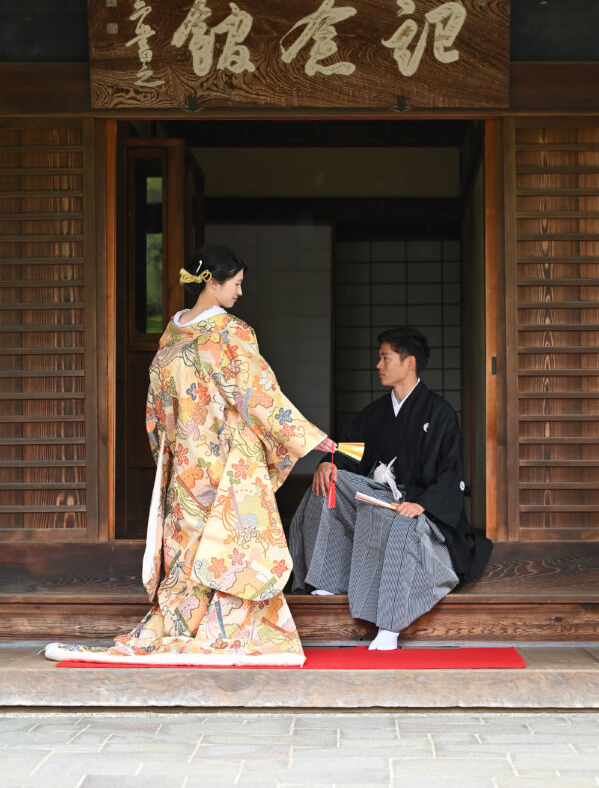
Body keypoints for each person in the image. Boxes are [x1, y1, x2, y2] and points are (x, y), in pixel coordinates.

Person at [46, 246, 334, 666]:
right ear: (213, 283)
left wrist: (166, 444)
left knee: (192, 541)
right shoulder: (232, 332)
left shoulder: (173, 332)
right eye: (235, 284)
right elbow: (256, 394)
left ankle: (184, 624)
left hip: (185, 455)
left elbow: (157, 401)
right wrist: (303, 435)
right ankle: (217, 629)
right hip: (224, 456)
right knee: (220, 540)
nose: (240, 292)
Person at [289, 326, 492, 650]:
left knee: (398, 524)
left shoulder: (438, 413)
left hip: (422, 509)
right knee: (331, 482)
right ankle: (328, 579)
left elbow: (451, 472)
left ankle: (390, 626)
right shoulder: (377, 414)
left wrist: (422, 504)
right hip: (382, 499)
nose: (378, 365)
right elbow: (351, 450)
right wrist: (329, 464)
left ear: (408, 362)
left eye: (385, 357)